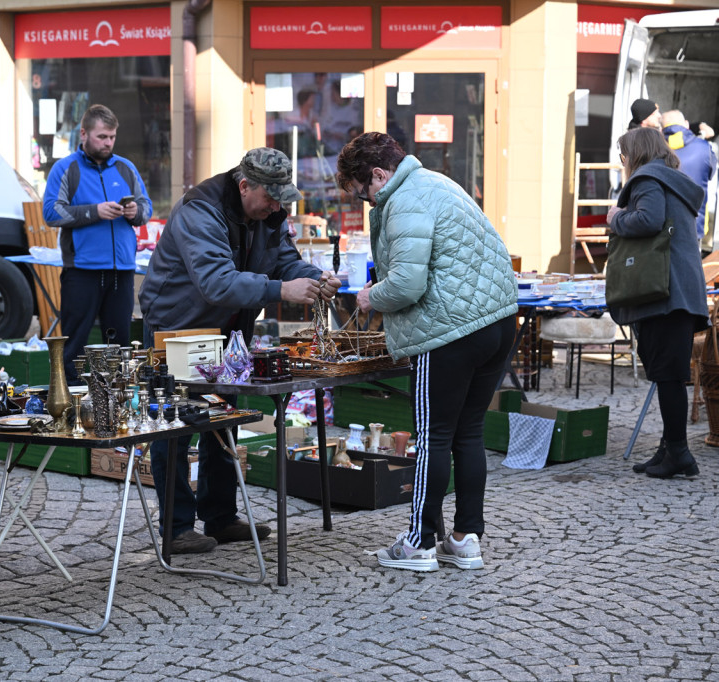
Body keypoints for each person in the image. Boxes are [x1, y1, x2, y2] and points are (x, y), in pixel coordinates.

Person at [139, 148, 339, 553]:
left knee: (223, 420)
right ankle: (176, 528)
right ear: (244, 185)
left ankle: (221, 516)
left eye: (282, 198)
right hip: (176, 325)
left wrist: (315, 278)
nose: (277, 206)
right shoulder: (200, 209)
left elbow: (284, 260)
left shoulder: (268, 213)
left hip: (227, 326)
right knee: (174, 427)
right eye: (270, 198)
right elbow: (215, 281)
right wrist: (282, 290)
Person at [335, 132, 518, 572]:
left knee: (434, 437)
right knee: (468, 434)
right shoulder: (438, 183)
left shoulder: (402, 202)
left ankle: (419, 543)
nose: (368, 203)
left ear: (379, 175)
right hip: (498, 320)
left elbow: (406, 285)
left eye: (364, 193)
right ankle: (466, 538)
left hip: (450, 332)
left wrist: (369, 297)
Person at [608, 127, 707, 479]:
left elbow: (648, 220)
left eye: (623, 155)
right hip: (679, 290)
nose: (622, 162)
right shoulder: (672, 180)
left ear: (635, 154)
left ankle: (679, 454)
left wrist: (615, 218)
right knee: (669, 373)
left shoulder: (648, 178)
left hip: (663, 292)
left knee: (668, 376)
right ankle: (670, 448)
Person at [43, 104, 152, 383]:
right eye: (102, 137)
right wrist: (95, 211)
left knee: (120, 347)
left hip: (122, 271)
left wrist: (133, 213)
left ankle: (116, 410)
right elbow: (51, 213)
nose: (108, 143)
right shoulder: (66, 168)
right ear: (83, 134)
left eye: (112, 137)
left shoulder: (126, 168)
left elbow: (146, 209)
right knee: (76, 346)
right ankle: (73, 413)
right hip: (82, 271)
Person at [661, 109, 718, 243]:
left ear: (662, 128)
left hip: (661, 225)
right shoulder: (705, 148)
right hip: (694, 225)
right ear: (686, 124)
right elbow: (712, 174)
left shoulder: (654, 149)